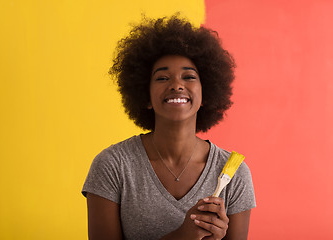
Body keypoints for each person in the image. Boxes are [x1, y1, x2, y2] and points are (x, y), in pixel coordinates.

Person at [82, 14, 256, 240]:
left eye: (189, 77)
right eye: (163, 78)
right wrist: (183, 236)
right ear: (145, 96)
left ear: (206, 94)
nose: (176, 85)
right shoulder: (112, 166)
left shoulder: (234, 174)